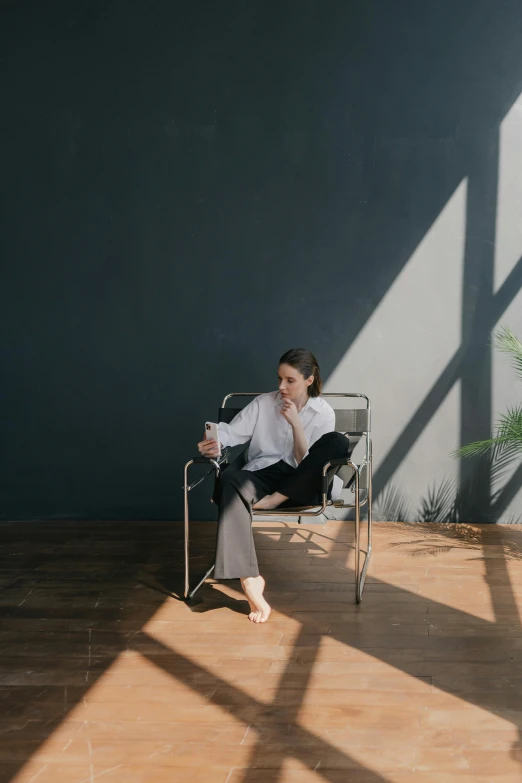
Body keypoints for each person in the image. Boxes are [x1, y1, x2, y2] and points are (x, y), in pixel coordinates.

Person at [197, 349, 350, 624]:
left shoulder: (322, 412)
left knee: (337, 442)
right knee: (231, 480)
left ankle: (277, 498)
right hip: (264, 475)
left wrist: (295, 424)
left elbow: (308, 462)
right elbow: (230, 434)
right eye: (279, 379)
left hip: (303, 482)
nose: (281, 387)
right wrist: (212, 443)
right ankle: (250, 578)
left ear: (309, 380)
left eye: (290, 380)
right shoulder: (263, 403)